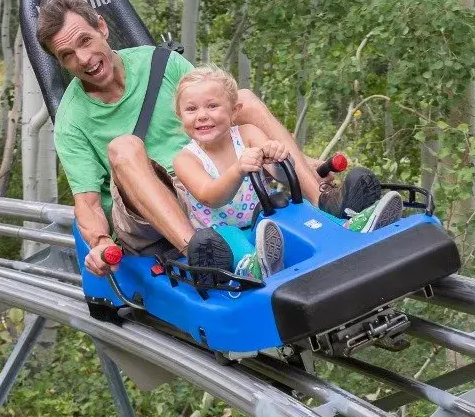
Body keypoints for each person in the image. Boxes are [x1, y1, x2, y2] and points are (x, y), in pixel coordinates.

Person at [37, 0, 384, 279]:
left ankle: (324, 199)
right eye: (68, 55)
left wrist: (299, 159)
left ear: (102, 27)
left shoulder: (160, 63)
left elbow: (214, 109)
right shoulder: (72, 118)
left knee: (241, 100)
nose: (83, 59)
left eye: (85, 40)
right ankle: (203, 255)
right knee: (125, 146)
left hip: (209, 172)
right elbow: (87, 203)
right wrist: (99, 242)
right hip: (149, 206)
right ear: (61, 62)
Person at [171, 67, 403, 279]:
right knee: (228, 235)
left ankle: (345, 227)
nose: (201, 115)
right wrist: (238, 169)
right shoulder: (185, 159)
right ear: (181, 118)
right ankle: (250, 265)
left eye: (212, 106)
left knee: (293, 206)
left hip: (265, 220)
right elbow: (210, 196)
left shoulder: (248, 133)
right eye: (191, 109)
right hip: (223, 232)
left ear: (234, 111)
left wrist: (280, 157)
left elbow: (280, 174)